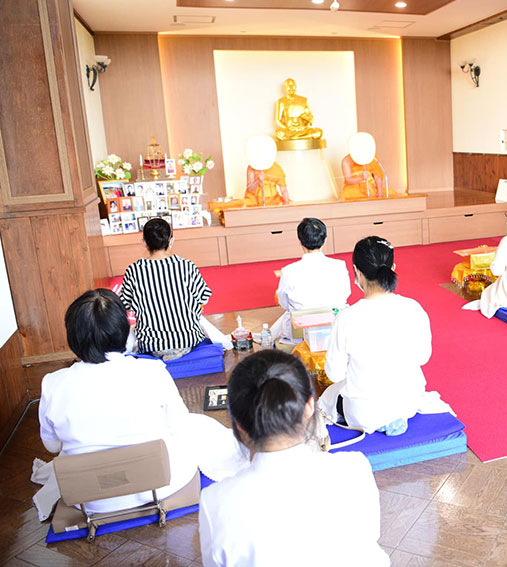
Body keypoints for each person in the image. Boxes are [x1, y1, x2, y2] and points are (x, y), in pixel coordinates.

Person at [38, 289, 245, 514]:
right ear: (123, 330)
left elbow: (52, 446)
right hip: (160, 485)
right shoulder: (151, 370)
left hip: (90, 498)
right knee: (199, 427)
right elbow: (179, 425)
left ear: (73, 336)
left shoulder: (52, 384)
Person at [199, 350, 388, 567]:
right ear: (309, 407)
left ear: (239, 424)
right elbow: (368, 540)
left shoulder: (214, 501)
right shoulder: (355, 467)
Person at [319, 236, 450, 435]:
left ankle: (376, 419)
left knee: (328, 397)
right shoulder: (413, 308)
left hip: (364, 414)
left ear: (357, 272)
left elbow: (334, 374)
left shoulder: (346, 317)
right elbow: (423, 357)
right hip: (407, 404)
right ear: (393, 267)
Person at [119, 218, 229, 359]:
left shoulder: (134, 270)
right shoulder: (186, 266)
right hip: (188, 341)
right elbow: (204, 298)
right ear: (171, 241)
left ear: (144, 243)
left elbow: (125, 305)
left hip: (151, 345)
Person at [270, 218, 351, 345]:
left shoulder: (288, 271)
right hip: (334, 326)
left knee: (289, 313)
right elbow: (346, 294)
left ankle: (268, 336)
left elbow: (284, 303)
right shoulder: (339, 265)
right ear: (325, 240)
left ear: (299, 241)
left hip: (301, 330)